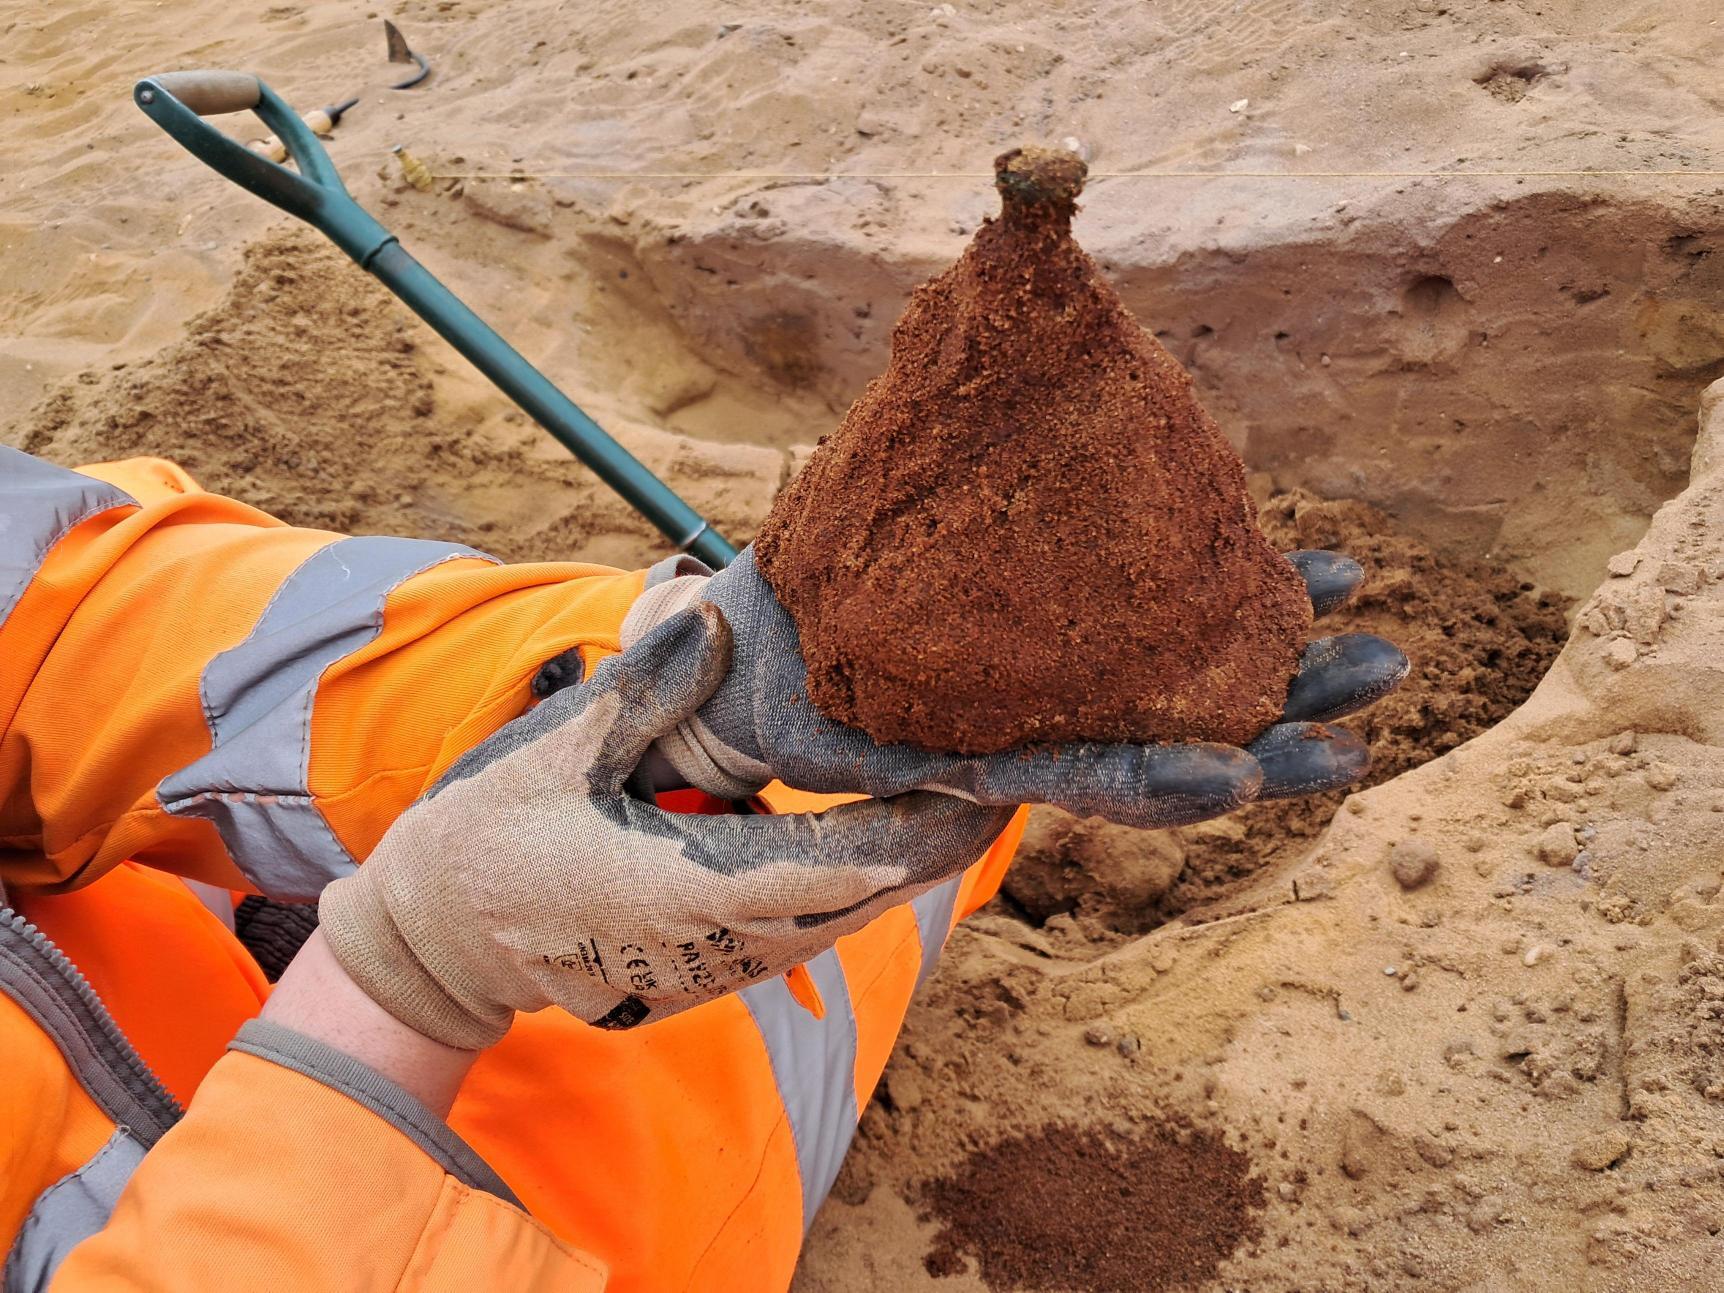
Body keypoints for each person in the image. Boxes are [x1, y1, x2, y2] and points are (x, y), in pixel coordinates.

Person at [0, 445, 1405, 1290]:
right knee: (897, 848)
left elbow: (73, 622)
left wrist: (603, 687)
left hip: (343, 924)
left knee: (920, 770)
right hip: (495, 1207)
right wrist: (398, 982)